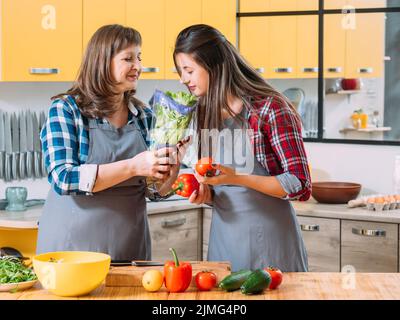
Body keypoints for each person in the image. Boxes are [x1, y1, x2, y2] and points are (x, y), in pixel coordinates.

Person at [37, 24, 189, 261]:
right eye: (128, 58)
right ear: (102, 61)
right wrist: (133, 166)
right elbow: (63, 178)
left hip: (128, 247)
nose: (137, 66)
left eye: (139, 57)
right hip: (72, 251)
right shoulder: (67, 110)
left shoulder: (144, 117)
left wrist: (173, 164)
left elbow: (154, 191)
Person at [173, 24, 311, 272]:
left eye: (189, 70)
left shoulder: (269, 108)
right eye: (180, 71)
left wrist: (237, 178)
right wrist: (207, 194)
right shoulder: (204, 113)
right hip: (223, 246)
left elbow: (299, 183)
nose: (184, 79)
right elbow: (221, 187)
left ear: (213, 64)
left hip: (271, 245)